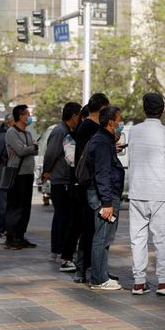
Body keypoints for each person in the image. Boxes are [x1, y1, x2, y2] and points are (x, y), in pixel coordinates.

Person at [128, 94, 165, 296]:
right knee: (162, 239)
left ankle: (139, 283)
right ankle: (162, 283)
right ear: (163, 110)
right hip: (160, 192)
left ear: (144, 109)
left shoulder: (133, 131)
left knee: (138, 238)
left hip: (137, 190)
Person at [69, 93, 110, 283]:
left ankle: (96, 268)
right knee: (88, 228)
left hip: (90, 184)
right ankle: (82, 268)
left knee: (94, 229)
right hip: (88, 184)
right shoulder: (90, 128)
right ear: (102, 107)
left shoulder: (88, 127)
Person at [86, 105, 125, 291]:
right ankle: (98, 279)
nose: (120, 123)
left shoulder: (105, 140)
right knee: (101, 237)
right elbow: (102, 173)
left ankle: (101, 273)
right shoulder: (101, 142)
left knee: (105, 237)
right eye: (119, 120)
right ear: (111, 122)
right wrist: (107, 202)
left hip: (107, 194)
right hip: (104, 197)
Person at [42, 102, 82, 267]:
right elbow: (51, 154)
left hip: (64, 179)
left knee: (62, 216)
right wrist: (47, 170)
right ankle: (59, 249)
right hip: (61, 180)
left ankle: (58, 248)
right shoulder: (60, 132)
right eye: (79, 116)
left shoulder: (67, 131)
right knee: (63, 217)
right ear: (73, 116)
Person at [5, 105, 39, 250]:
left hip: (28, 174)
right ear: (20, 116)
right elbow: (21, 150)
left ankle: (20, 236)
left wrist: (30, 147)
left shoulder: (27, 133)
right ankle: (11, 237)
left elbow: (29, 150)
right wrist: (32, 147)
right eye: (27, 114)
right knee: (15, 207)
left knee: (25, 207)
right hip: (17, 174)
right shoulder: (12, 132)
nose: (29, 117)